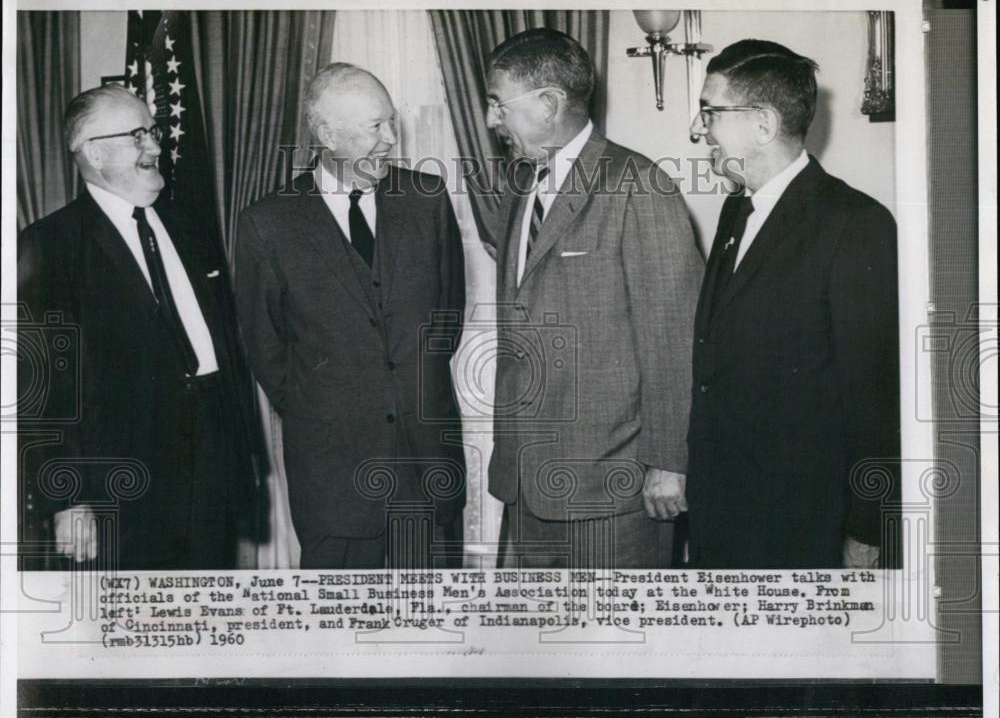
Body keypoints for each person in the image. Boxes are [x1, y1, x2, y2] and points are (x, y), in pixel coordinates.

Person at [484, 28, 703, 569]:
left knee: (615, 649)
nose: (491, 121)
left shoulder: (639, 186)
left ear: (549, 103)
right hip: (528, 488)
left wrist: (670, 463)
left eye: (496, 104)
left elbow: (675, 339)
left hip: (614, 492)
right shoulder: (522, 190)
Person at [17, 84, 260, 570]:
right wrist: (67, 499)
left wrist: (243, 461)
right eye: (137, 136)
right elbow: (40, 390)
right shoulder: (50, 245)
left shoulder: (189, 224)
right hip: (118, 492)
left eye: (152, 132)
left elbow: (223, 350)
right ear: (93, 151)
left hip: (210, 475)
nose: (155, 147)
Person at [235, 63, 466, 570]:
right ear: (326, 134)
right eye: (374, 127)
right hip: (334, 478)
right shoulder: (267, 224)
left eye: (391, 123)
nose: (389, 139)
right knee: (337, 630)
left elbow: (447, 318)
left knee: (439, 630)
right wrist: (331, 406)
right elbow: (266, 350)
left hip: (426, 465)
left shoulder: (427, 200)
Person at [686, 39, 900, 569]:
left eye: (710, 112)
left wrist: (868, 530)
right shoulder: (736, 210)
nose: (697, 130)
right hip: (725, 515)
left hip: (804, 526)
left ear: (762, 124)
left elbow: (874, 398)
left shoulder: (856, 224)